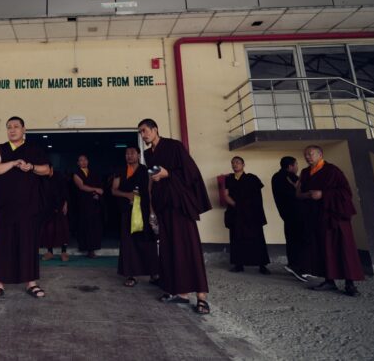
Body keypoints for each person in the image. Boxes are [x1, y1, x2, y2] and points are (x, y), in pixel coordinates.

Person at [138, 118, 211, 315]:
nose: (143, 135)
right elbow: (153, 180)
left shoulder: (174, 146)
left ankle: (202, 297)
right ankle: (180, 292)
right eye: (141, 132)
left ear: (155, 130)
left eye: (145, 131)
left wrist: (168, 173)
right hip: (163, 206)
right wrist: (152, 208)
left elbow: (191, 173)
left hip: (180, 205)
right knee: (170, 250)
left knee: (189, 248)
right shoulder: (148, 154)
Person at [0, 116, 50, 301]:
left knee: (28, 242)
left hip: (29, 205)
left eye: (16, 126)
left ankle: (31, 283)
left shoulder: (33, 150)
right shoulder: (1, 149)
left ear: (24, 129)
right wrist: (13, 163)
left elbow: (46, 169)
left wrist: (31, 167)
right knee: (4, 242)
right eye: (9, 127)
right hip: (6, 207)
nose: (12, 130)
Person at [296, 145, 364, 296]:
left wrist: (323, 194)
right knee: (323, 249)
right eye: (305, 154)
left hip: (335, 216)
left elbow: (346, 192)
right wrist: (308, 195)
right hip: (317, 217)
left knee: (344, 248)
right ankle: (329, 281)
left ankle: (350, 284)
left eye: (310, 154)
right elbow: (300, 193)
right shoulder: (306, 172)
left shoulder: (332, 171)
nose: (307, 157)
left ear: (320, 154)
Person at [111, 146, 159, 287]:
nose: (129, 156)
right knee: (129, 243)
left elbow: (150, 191)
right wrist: (127, 195)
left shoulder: (145, 171)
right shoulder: (120, 170)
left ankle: (153, 273)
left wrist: (152, 212)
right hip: (128, 211)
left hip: (143, 210)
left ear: (138, 155)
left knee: (148, 241)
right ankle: (132, 275)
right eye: (127, 154)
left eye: (132, 153)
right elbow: (114, 190)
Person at [223, 156, 270, 274]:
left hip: (252, 213)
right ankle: (239, 264)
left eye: (237, 162)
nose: (235, 165)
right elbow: (226, 194)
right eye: (233, 163)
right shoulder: (229, 179)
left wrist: (254, 211)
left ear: (243, 165)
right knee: (236, 237)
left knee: (256, 238)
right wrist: (235, 204)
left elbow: (258, 198)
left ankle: (262, 265)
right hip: (236, 213)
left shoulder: (252, 178)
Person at [271, 156, 307, 282]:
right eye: (296, 164)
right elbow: (301, 191)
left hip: (286, 213)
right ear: (291, 166)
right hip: (297, 213)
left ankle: (297, 266)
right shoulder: (289, 176)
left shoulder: (276, 177)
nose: (297, 167)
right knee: (299, 239)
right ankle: (297, 266)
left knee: (292, 238)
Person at [73, 154, 103, 258]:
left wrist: (97, 194)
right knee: (85, 226)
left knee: (94, 226)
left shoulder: (93, 173)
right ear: (78, 163)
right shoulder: (76, 174)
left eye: (85, 160)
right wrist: (95, 190)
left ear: (88, 161)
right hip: (82, 204)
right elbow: (81, 187)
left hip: (94, 204)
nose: (83, 162)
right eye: (81, 160)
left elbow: (100, 187)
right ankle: (87, 248)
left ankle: (93, 249)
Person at [39, 165, 70, 262]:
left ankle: (64, 252)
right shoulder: (43, 179)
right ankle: (50, 252)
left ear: (51, 168)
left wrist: (65, 204)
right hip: (48, 208)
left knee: (62, 229)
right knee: (49, 229)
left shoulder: (59, 177)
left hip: (60, 206)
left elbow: (65, 191)